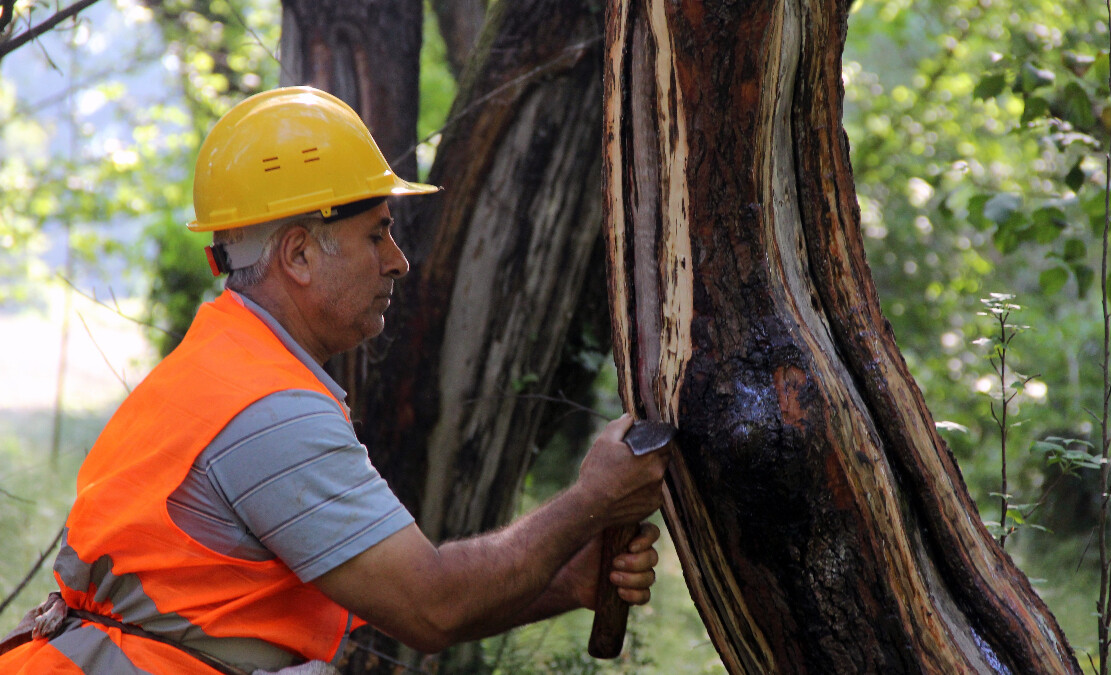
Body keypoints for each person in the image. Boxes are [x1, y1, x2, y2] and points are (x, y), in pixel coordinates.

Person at [0, 86, 668, 674]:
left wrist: (566, 579)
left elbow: (381, 592)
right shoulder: (269, 412)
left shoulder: (218, 369)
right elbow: (430, 606)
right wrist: (592, 499)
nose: (399, 261)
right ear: (296, 254)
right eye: (377, 234)